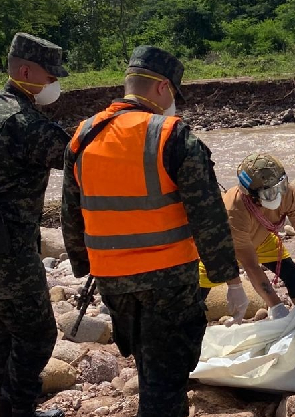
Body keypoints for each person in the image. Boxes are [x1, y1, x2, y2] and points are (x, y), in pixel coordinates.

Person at [60, 45, 244, 417]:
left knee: (148, 367)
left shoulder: (83, 137)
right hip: (169, 281)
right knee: (167, 380)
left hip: (112, 279)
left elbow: (72, 214)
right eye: (174, 92)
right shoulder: (173, 136)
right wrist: (231, 281)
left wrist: (84, 264)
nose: (174, 100)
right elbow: (207, 216)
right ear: (162, 87)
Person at [0, 33, 70, 417]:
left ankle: (5, 402)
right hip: (8, 242)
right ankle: (21, 409)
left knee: (5, 325)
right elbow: (83, 159)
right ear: (25, 71)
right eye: (51, 76)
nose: (55, 84)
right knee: (38, 335)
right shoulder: (25, 123)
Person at [198, 153, 295, 320]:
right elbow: (251, 265)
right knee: (196, 297)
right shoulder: (233, 210)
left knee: (293, 276)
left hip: (263, 239)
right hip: (222, 250)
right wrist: (276, 306)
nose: (277, 195)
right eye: (269, 193)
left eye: (281, 186)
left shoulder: (288, 195)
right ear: (250, 193)